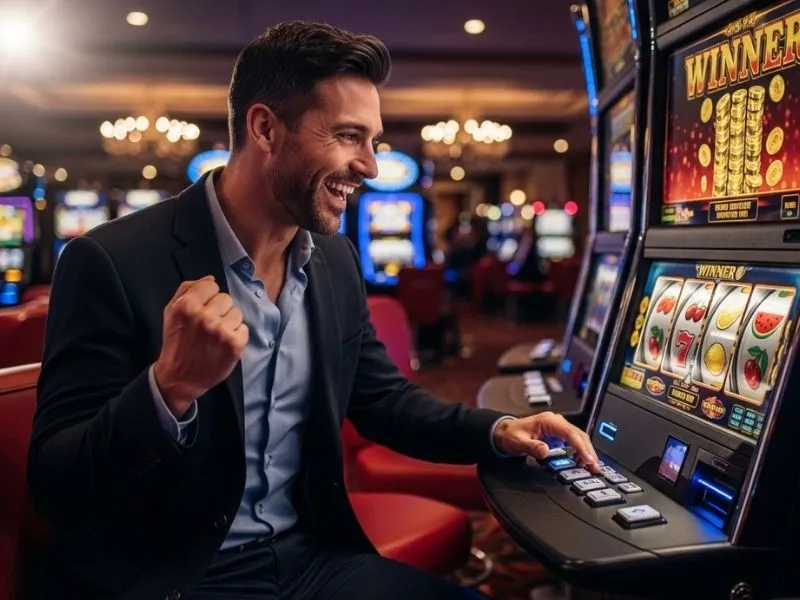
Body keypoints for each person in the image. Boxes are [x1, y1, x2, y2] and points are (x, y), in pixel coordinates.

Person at [27, 21, 600, 600]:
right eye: (349, 136)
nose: (371, 167)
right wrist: (168, 389)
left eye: (373, 141)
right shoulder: (108, 259)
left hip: (310, 559)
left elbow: (383, 402)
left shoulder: (334, 258)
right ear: (265, 128)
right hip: (174, 572)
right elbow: (56, 484)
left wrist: (502, 430)